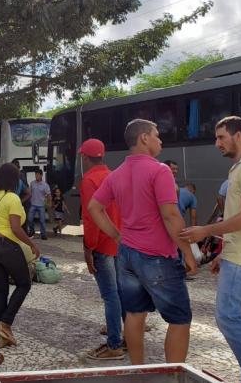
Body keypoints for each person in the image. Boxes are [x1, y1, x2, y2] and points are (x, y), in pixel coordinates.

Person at [88, 119, 196, 365]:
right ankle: (173, 375)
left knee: (135, 313)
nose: (160, 140)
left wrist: (117, 236)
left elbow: (95, 207)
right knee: (179, 319)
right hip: (157, 257)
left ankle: (137, 371)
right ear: (144, 138)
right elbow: (170, 215)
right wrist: (187, 252)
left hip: (127, 255)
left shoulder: (117, 174)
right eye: (157, 135)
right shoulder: (160, 171)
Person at [181, 116, 241, 383]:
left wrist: (205, 231)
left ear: (238, 136)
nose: (217, 143)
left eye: (221, 137)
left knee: (228, 318)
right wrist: (224, 251)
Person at [0, 163, 39, 347]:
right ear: (14, 179)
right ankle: (5, 322)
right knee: (24, 283)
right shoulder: (12, 198)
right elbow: (15, 228)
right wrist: (32, 244)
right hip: (7, 246)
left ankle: (4, 335)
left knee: (1, 288)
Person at [79, 139, 125, 361]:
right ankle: (125, 334)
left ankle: (114, 343)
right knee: (120, 291)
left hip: (103, 244)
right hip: (119, 241)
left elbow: (91, 217)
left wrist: (89, 247)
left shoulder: (89, 180)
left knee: (110, 295)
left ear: (85, 158)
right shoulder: (115, 175)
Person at [27, 170, 51, 240]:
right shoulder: (32, 183)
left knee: (42, 220)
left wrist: (49, 203)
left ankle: (43, 234)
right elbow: (29, 193)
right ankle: (32, 231)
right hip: (33, 204)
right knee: (29, 219)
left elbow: (49, 194)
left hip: (41, 205)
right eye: (35, 175)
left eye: (37, 175)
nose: (36, 176)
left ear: (41, 175)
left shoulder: (45, 185)